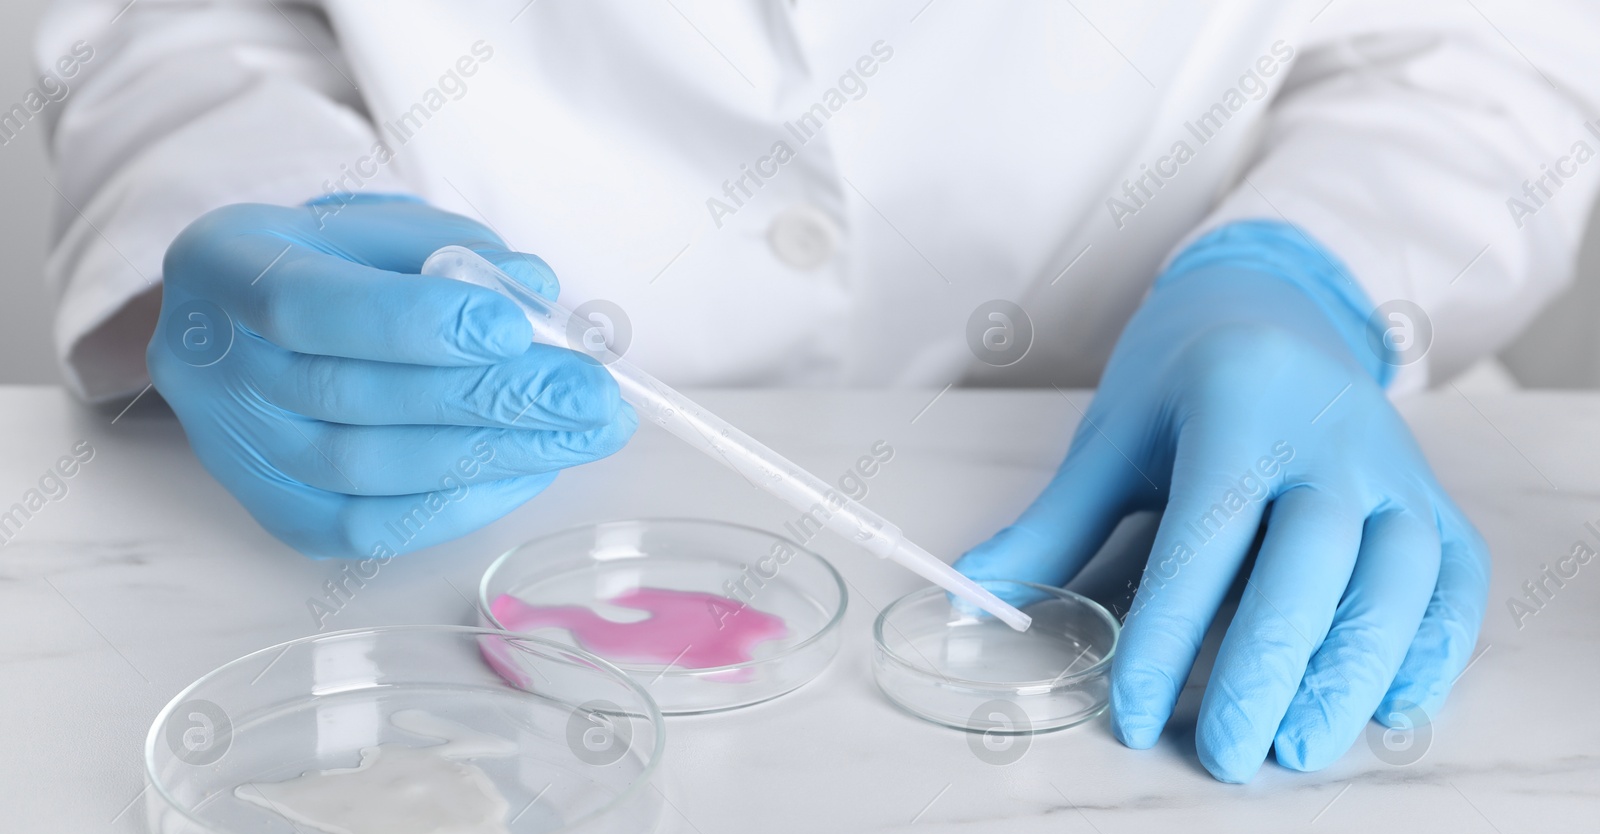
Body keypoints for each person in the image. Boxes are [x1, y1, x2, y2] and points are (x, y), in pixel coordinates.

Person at [35, 1, 1600, 781]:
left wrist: (1317, 267)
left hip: (1210, 450)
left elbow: (1487, 46)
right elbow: (185, 21)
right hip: (490, 489)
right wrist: (254, 209)